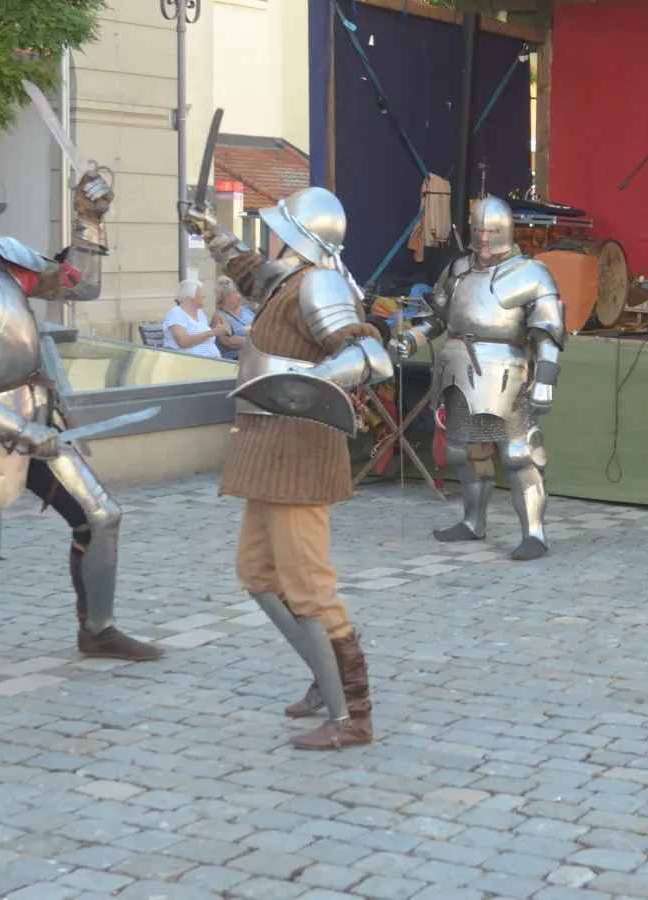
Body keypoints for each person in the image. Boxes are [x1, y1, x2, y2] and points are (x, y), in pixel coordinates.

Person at [0, 172, 164, 693]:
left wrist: (88, 222)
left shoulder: (9, 259)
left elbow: (80, 285)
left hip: (38, 413)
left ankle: (99, 630)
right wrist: (17, 429)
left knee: (101, 515)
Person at [184, 186, 393, 750]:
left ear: (301, 234)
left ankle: (354, 714)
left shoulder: (319, 282)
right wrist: (210, 231)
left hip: (299, 447)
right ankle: (326, 683)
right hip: (265, 447)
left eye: (280, 226)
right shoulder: (288, 283)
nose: (271, 235)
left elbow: (370, 355)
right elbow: (254, 274)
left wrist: (311, 385)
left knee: (310, 588)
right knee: (257, 573)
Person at [394, 195, 566, 561]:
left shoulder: (531, 274)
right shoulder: (459, 270)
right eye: (478, 233)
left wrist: (546, 378)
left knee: (519, 453)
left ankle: (535, 533)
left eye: (491, 233)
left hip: (508, 371)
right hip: (458, 368)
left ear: (505, 232)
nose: (484, 242)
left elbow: (547, 332)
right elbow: (438, 317)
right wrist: (413, 338)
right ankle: (474, 522)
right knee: (463, 450)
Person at [161, 279, 226, 358]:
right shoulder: (176, 313)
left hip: (211, 363)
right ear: (192, 294)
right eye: (200, 292)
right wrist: (211, 333)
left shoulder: (200, 313)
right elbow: (183, 342)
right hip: (188, 363)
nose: (203, 296)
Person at [212, 276, 252, 361]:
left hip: (253, 355)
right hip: (235, 359)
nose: (240, 296)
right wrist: (255, 341)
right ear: (226, 296)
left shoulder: (247, 311)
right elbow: (229, 342)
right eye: (236, 293)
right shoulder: (219, 316)